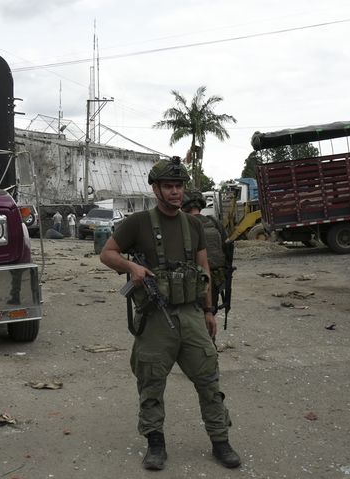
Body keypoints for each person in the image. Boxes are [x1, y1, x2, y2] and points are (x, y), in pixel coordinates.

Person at [99, 156, 240, 471]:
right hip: (155, 318)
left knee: (208, 380)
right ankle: (155, 444)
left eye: (179, 186)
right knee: (151, 382)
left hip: (190, 314)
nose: (176, 192)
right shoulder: (137, 222)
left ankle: (221, 441)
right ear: (156, 189)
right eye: (168, 186)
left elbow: (204, 269)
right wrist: (132, 266)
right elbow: (107, 253)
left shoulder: (194, 224)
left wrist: (209, 310)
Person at [181, 190, 233, 319]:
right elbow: (227, 249)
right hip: (216, 280)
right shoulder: (213, 222)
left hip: (192, 280)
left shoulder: (183, 224)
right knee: (209, 315)